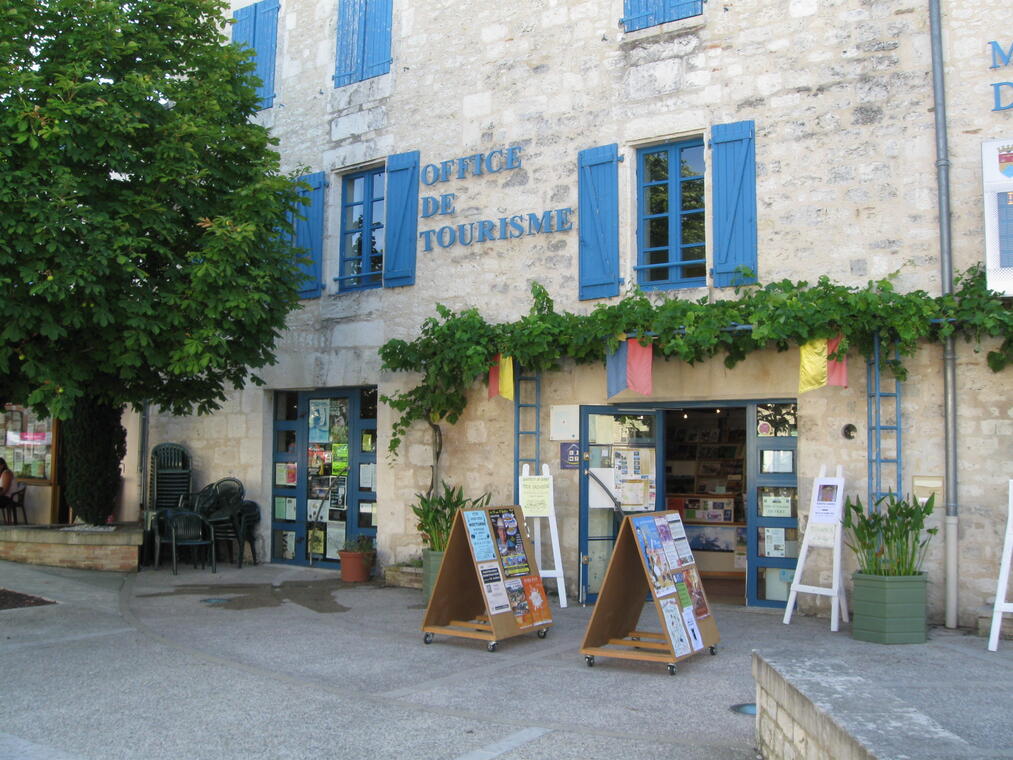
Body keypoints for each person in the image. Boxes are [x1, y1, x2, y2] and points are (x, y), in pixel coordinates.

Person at [0, 458, 18, 523]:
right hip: (5, 497)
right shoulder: (2, 473)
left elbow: (4, 490)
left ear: (2, 465)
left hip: (10, 498)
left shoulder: (7, 473)